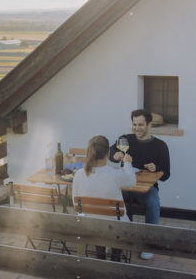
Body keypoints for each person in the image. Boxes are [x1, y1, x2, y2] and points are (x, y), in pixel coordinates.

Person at [111, 108, 171, 260]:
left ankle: (148, 244)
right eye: (134, 124)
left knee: (153, 203)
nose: (136, 128)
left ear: (150, 124)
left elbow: (166, 175)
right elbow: (111, 152)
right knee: (113, 201)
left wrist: (156, 168)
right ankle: (118, 241)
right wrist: (115, 155)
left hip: (145, 189)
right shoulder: (125, 139)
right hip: (125, 185)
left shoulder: (160, 146)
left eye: (141, 125)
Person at [73, 135, 137, 261]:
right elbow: (131, 181)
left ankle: (100, 257)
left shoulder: (79, 174)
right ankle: (115, 259)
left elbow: (75, 203)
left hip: (90, 225)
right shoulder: (114, 174)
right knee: (118, 219)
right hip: (115, 227)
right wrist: (128, 163)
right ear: (108, 153)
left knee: (98, 219)